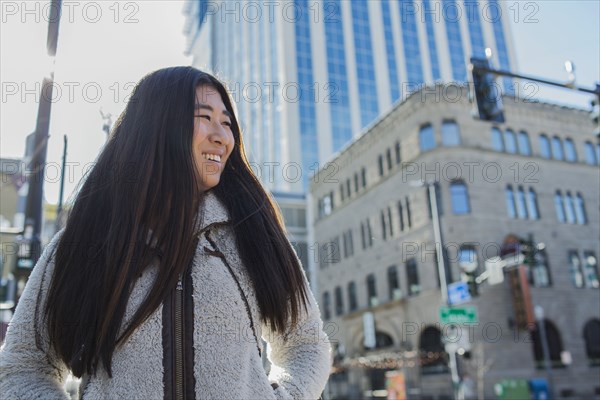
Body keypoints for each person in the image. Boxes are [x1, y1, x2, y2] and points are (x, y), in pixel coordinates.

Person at [0, 66, 332, 399]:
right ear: (157, 126)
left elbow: (306, 346)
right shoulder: (85, 241)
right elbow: (23, 367)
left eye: (227, 122)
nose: (222, 136)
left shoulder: (255, 238)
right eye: (204, 117)